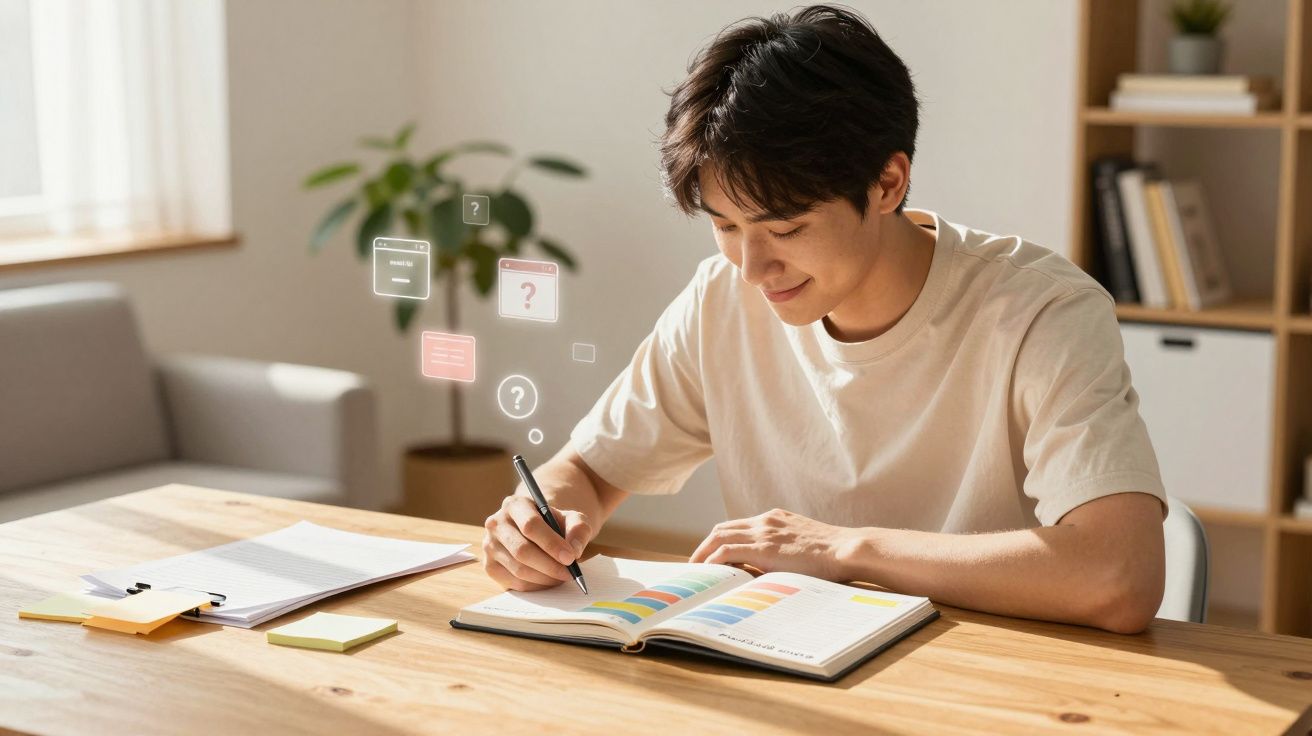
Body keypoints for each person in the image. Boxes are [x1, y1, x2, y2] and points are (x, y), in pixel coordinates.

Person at [481, 4, 1167, 634]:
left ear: (888, 183)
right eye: (724, 225)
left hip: (983, 672)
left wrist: (844, 549)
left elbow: (1119, 575)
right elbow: (594, 471)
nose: (751, 267)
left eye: (786, 227)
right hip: (785, 663)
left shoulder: (1040, 311)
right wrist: (538, 525)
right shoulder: (722, 297)